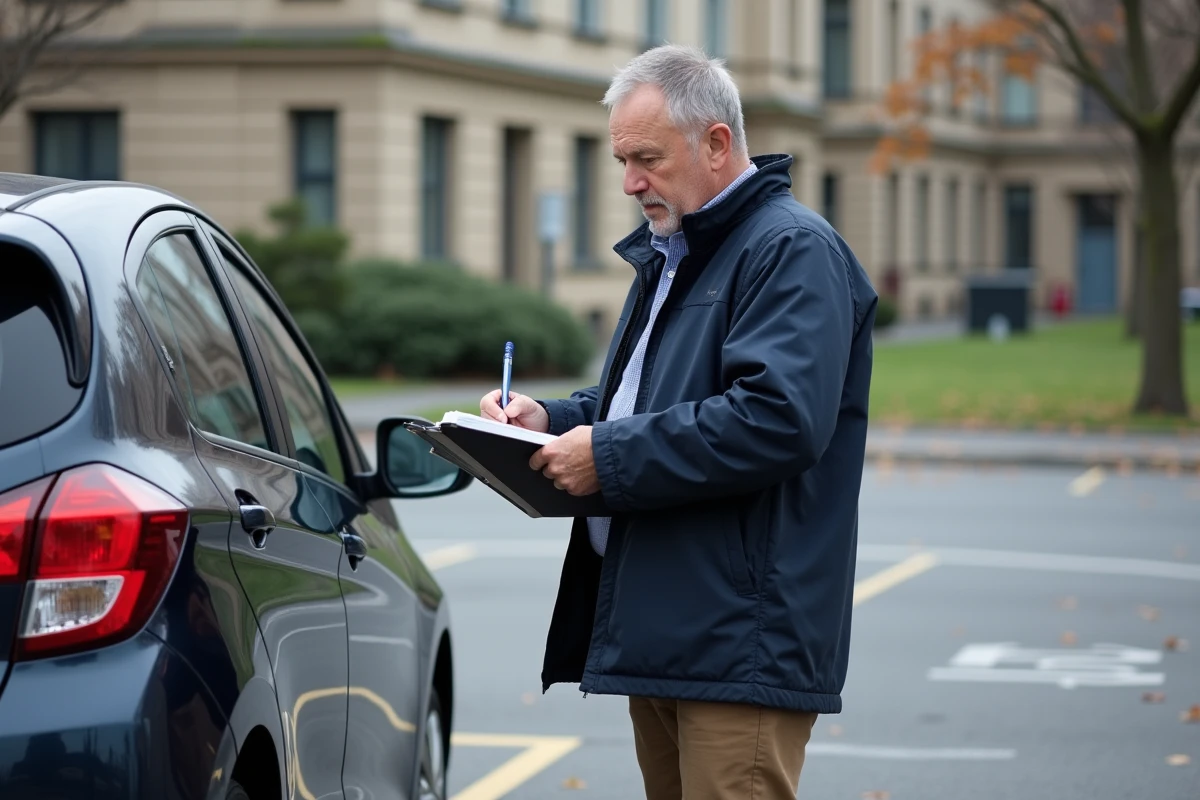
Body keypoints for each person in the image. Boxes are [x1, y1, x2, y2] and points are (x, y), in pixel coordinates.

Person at [480, 44, 876, 800]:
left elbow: (776, 419)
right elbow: (643, 401)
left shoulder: (790, 250)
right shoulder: (677, 250)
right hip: (670, 627)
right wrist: (551, 419)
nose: (630, 182)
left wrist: (608, 457)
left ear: (718, 144)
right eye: (622, 160)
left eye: (647, 159)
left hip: (737, 642)